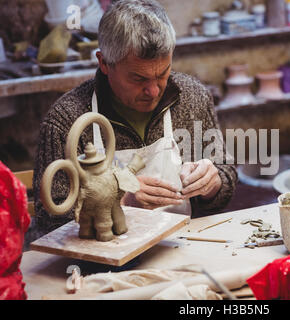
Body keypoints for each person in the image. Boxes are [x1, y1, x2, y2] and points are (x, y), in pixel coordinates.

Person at [28, 0, 237, 242]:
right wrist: (119, 200)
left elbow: (225, 179)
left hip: (182, 248)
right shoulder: (66, 120)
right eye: (138, 79)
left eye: (162, 74)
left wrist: (213, 184)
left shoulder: (192, 98)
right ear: (104, 63)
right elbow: (48, 222)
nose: (153, 91)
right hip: (101, 262)